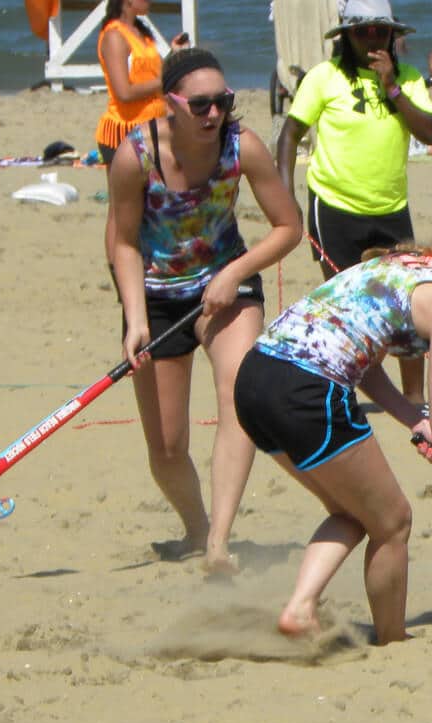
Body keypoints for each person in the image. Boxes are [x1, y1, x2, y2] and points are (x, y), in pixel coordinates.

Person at [234, 196, 432, 645]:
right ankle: (393, 642)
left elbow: (368, 362)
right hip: (306, 390)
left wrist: (415, 420)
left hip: (256, 379)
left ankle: (300, 609)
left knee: (356, 512)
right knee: (393, 522)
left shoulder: (407, 263)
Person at [110, 48, 303, 574]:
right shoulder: (136, 154)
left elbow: (290, 227)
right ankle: (195, 528)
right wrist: (135, 319)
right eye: (200, 104)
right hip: (155, 295)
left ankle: (218, 542)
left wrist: (234, 275)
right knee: (168, 447)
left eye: (222, 101)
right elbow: (123, 243)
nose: (213, 113)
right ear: (169, 103)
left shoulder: (243, 148)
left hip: (227, 282)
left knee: (238, 397)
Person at [276, 0, 432, 408]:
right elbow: (290, 133)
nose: (371, 39)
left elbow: (430, 132)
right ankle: (342, 387)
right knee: (346, 302)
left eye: (380, 31)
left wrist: (392, 88)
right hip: (334, 206)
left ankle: (414, 397)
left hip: (390, 206)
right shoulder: (323, 77)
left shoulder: (410, 78)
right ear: (345, 36)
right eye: (362, 31)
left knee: (406, 299)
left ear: (392, 36)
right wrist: (285, 197)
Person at [96, 0, 189, 287]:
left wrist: (172, 56)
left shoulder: (141, 31)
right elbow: (124, 91)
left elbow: (146, 76)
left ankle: (148, 267)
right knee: (120, 210)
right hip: (122, 131)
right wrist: (166, 79)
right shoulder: (114, 35)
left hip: (153, 129)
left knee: (151, 203)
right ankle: (119, 276)